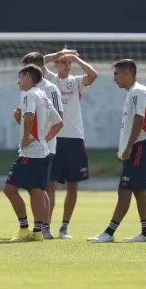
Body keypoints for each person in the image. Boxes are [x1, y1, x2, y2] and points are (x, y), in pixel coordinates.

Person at [88, 59, 146, 243]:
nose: (114, 78)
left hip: (138, 147)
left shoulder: (137, 92)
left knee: (125, 190)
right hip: (138, 147)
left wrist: (130, 146)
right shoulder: (134, 92)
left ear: (126, 72)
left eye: (116, 74)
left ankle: (109, 233)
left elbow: (139, 119)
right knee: (139, 190)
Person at [43, 49, 98, 239]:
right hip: (54, 138)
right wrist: (57, 54)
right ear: (56, 64)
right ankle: (46, 226)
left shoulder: (75, 83)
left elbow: (93, 75)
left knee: (73, 185)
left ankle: (64, 227)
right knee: (50, 184)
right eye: (63, 62)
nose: (67, 65)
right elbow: (34, 63)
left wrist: (77, 59)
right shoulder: (49, 79)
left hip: (74, 138)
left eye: (69, 62)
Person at [5, 64, 63, 242]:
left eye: (20, 77)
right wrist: (43, 138)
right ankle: (38, 232)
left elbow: (29, 117)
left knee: (9, 188)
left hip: (30, 153)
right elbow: (59, 122)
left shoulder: (29, 94)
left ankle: (24, 228)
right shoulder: (43, 96)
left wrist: (24, 139)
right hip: (43, 151)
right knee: (37, 191)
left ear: (29, 77)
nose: (18, 81)